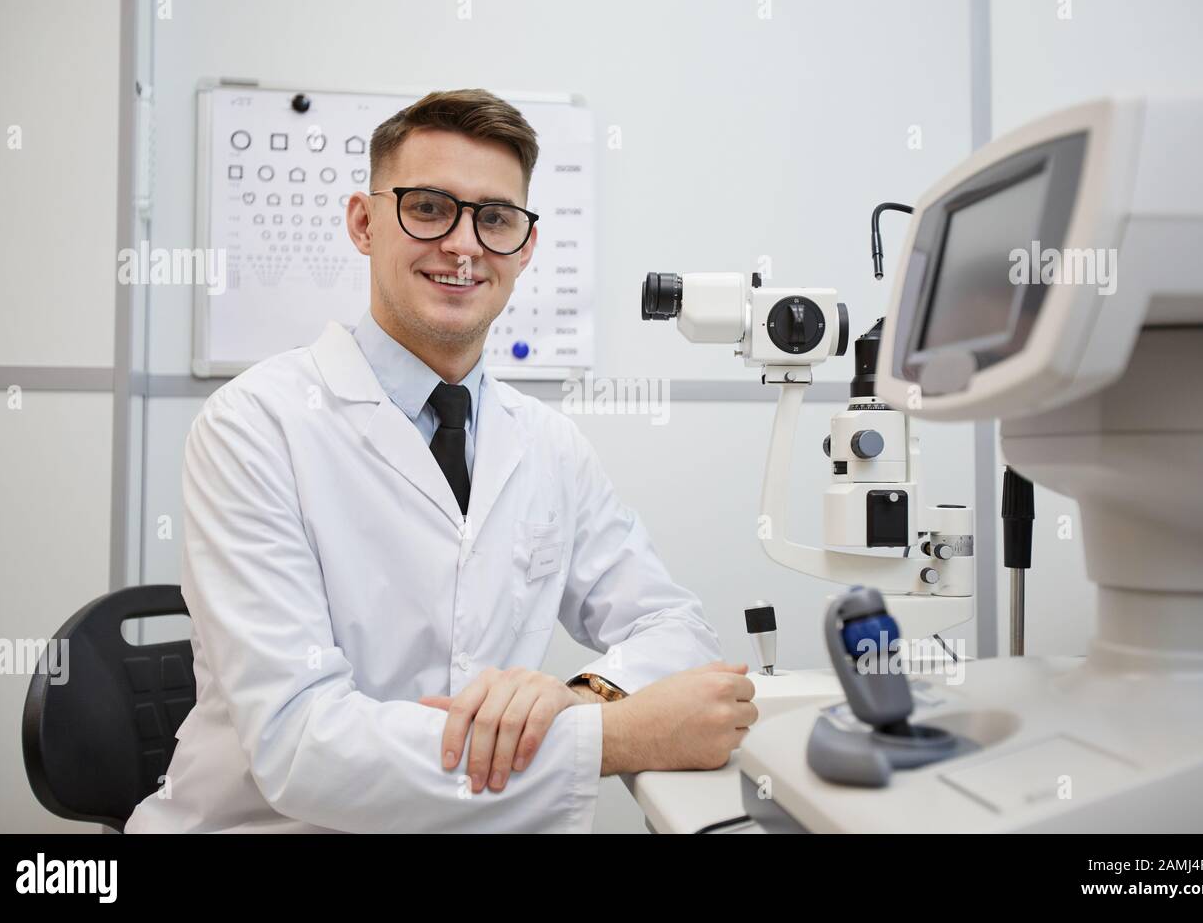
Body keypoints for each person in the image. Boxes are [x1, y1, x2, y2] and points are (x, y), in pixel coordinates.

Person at [125, 88, 757, 833]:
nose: (463, 245)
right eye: (429, 208)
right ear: (365, 222)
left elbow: (674, 625)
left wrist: (583, 695)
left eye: (494, 219)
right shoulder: (255, 427)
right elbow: (301, 745)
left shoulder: (549, 445)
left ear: (524, 248)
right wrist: (614, 737)